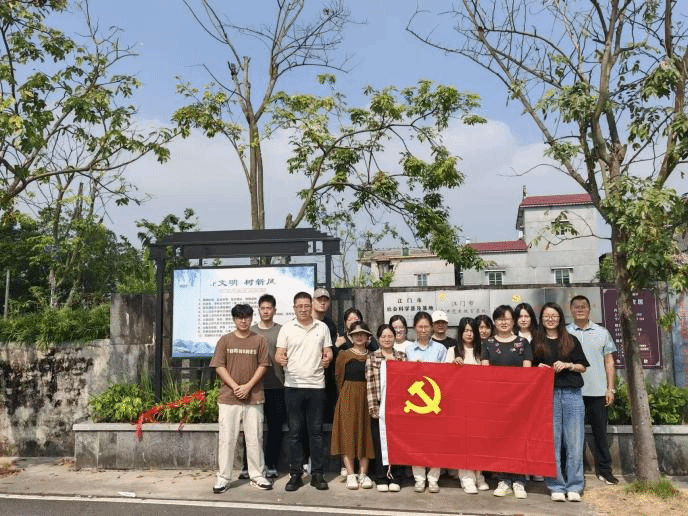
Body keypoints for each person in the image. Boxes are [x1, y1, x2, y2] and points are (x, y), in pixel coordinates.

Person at [210, 303, 273, 494]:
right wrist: (236, 387)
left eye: (246, 317)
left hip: (254, 397)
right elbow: (219, 366)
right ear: (234, 319)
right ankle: (223, 477)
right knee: (227, 440)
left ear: (252, 318)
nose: (243, 321)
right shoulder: (225, 340)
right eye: (239, 317)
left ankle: (257, 475)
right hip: (229, 398)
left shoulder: (259, 340)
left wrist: (248, 386)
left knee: (255, 438)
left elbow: (263, 365)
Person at [276, 292, 333, 491]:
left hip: (316, 386)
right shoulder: (286, 328)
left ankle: (317, 474)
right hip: (293, 386)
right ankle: (295, 474)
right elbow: (278, 353)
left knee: (316, 432)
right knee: (295, 433)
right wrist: (280, 358)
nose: (303, 309)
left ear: (311, 306)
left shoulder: (322, 327)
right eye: (299, 306)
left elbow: (328, 351)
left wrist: (328, 358)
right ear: (294, 308)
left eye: (306, 306)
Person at [532, 302, 589, 502]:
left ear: (560, 318)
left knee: (574, 442)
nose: (550, 319)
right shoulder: (536, 342)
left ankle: (574, 486)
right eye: (547, 316)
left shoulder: (570, 340)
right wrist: (538, 368)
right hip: (548, 396)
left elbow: (583, 366)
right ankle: (555, 485)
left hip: (572, 394)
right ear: (541, 319)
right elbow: (528, 368)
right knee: (552, 443)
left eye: (554, 316)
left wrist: (568, 365)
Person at [480, 305, 532, 499]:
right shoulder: (488, 343)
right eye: (500, 319)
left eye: (507, 318)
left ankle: (519, 480)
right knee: (500, 439)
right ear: (495, 322)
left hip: (519, 400)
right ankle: (503, 479)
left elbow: (527, 372)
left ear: (513, 321)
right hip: (496, 401)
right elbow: (485, 371)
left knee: (519, 439)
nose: (504, 322)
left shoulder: (522, 343)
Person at [567, 295, 619, 485]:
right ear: (571, 310)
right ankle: (575, 472)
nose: (580, 309)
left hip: (598, 392)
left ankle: (605, 471)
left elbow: (609, 362)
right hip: (572, 392)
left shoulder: (602, 332)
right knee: (573, 437)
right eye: (576, 306)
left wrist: (610, 389)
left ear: (590, 309)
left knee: (600, 435)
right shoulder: (565, 332)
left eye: (584, 306)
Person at [446, 317, 489, 494]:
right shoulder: (452, 351)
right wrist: (453, 365)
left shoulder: (483, 350)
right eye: (466, 330)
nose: (469, 334)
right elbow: (444, 376)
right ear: (460, 332)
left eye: (472, 331)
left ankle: (479, 475)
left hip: (479, 402)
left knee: (478, 441)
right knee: (463, 441)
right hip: (459, 403)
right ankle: (466, 478)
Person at [405, 311, 447, 493]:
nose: (423, 330)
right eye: (420, 326)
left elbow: (446, 375)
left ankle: (434, 478)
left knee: (435, 442)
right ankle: (419, 478)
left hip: (436, 400)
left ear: (431, 328)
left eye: (426, 326)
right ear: (414, 328)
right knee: (416, 442)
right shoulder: (408, 349)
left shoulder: (440, 349)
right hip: (415, 402)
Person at [331, 321, 376, 490]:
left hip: (367, 397)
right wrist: (344, 396)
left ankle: (363, 473)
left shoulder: (373, 356)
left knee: (366, 433)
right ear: (350, 337)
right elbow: (338, 378)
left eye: (362, 334)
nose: (359, 337)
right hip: (347, 396)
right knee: (347, 434)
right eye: (356, 334)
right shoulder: (343, 355)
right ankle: (350, 474)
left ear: (368, 337)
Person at [366, 323, 405, 493]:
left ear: (395, 337)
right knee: (379, 442)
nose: (387, 339)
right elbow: (370, 383)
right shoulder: (372, 357)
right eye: (383, 336)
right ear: (378, 338)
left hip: (397, 408)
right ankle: (381, 477)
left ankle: (396, 477)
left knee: (397, 444)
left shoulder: (402, 357)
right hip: (380, 406)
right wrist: (373, 408)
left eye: (390, 336)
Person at [250, 294, 284, 478]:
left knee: (275, 429)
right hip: (255, 387)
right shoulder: (251, 331)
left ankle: (271, 464)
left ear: (274, 310)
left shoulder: (282, 331)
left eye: (268, 308)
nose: (265, 311)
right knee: (252, 429)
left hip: (277, 386)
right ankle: (249, 466)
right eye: (262, 308)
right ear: (258, 310)